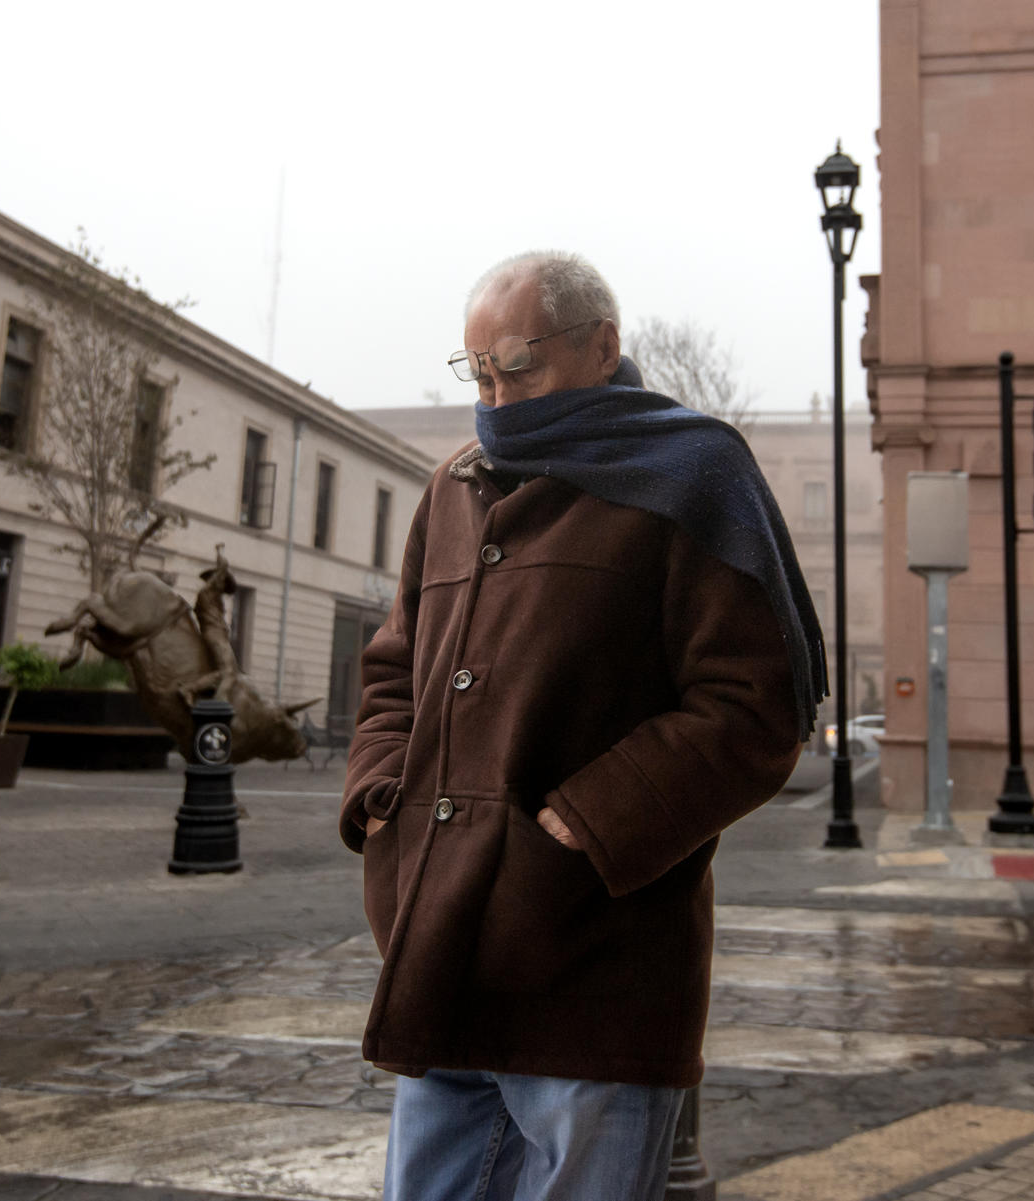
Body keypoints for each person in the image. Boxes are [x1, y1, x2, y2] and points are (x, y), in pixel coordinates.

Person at [339, 251, 825, 1200]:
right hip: (437, 946)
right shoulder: (455, 483)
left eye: (519, 366)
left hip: (594, 961)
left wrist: (587, 825)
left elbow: (755, 704)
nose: (498, 395)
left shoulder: (693, 472)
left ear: (602, 346)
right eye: (476, 372)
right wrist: (380, 798)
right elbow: (396, 663)